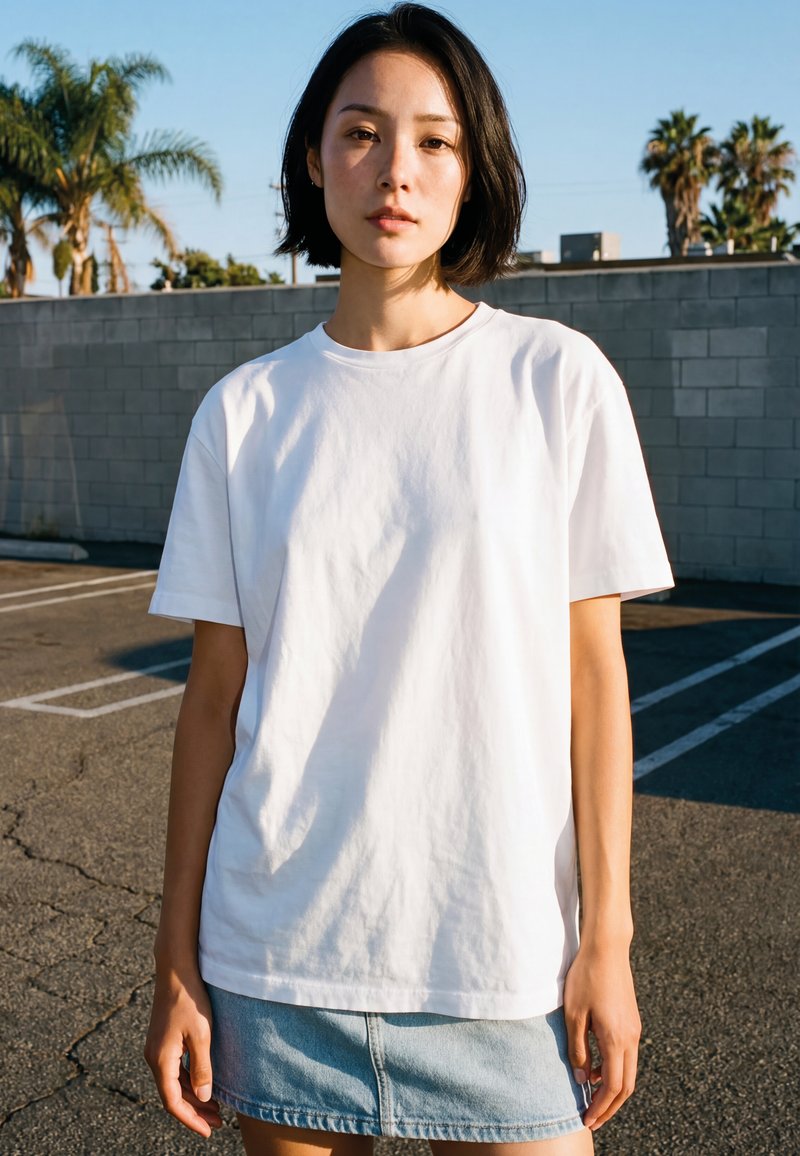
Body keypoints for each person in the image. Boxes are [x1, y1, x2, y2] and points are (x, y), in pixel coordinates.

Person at [143, 4, 675, 1154]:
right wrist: (174, 955)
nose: (395, 169)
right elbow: (212, 700)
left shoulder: (555, 380)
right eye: (360, 132)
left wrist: (607, 938)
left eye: (434, 140)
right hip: (277, 959)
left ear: (474, 169)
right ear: (312, 157)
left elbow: (594, 683)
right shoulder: (243, 413)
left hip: (500, 964)